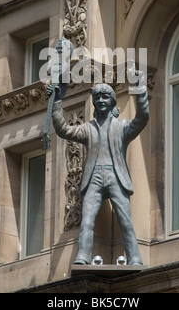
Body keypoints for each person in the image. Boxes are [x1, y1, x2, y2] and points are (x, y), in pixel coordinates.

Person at [49, 79, 149, 265]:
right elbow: (62, 130)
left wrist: (140, 92)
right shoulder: (88, 128)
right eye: (97, 97)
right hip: (94, 178)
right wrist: (56, 102)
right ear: (94, 102)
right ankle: (82, 257)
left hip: (116, 177)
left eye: (105, 97)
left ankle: (134, 258)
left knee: (125, 221)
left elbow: (142, 118)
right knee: (87, 221)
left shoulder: (122, 127)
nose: (101, 100)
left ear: (112, 101)